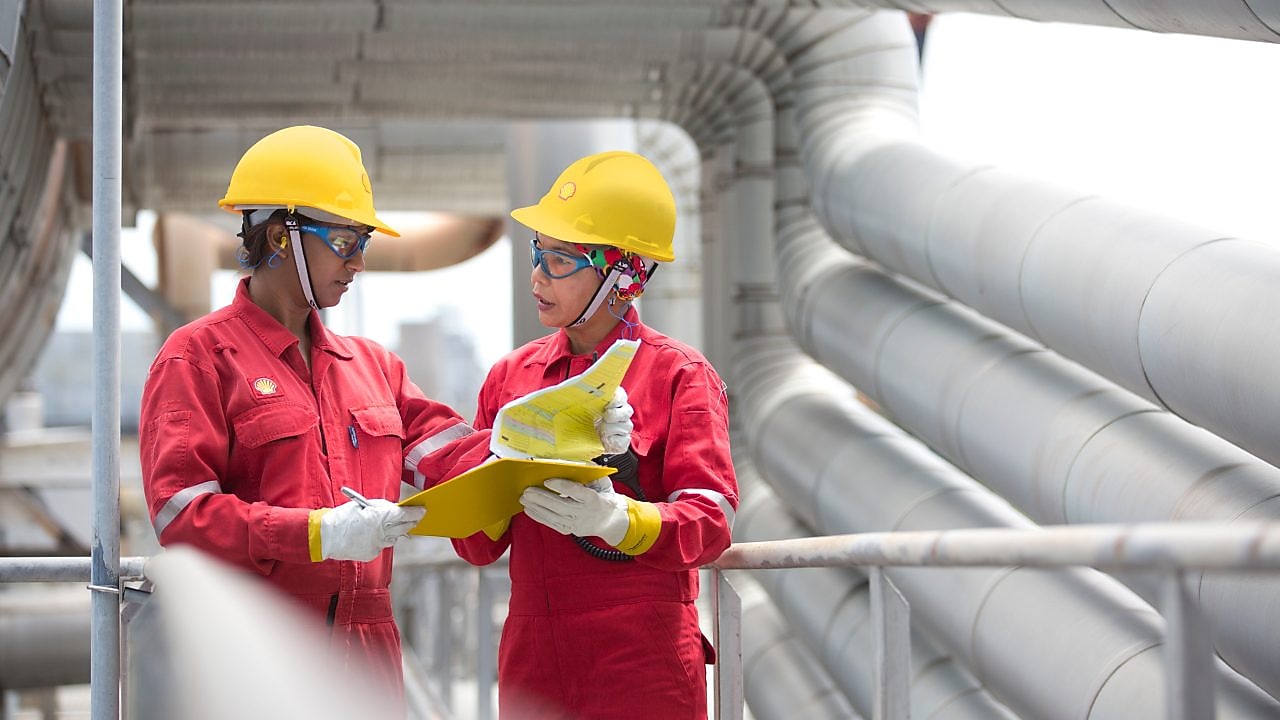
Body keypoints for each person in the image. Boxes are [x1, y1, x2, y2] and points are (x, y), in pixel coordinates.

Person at [137, 125, 500, 714]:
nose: (358, 261)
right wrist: (316, 534)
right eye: (344, 240)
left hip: (370, 656)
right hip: (258, 654)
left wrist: (546, 436)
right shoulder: (198, 357)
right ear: (281, 235)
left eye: (363, 242)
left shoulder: (374, 367)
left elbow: (455, 460)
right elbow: (184, 518)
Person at [453, 150, 739, 719]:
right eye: (539, 252)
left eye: (560, 259)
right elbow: (478, 547)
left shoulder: (679, 374)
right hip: (536, 659)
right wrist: (485, 490)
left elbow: (711, 523)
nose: (537, 275)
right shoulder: (511, 379)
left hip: (643, 659)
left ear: (625, 274)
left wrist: (617, 521)